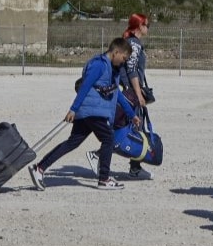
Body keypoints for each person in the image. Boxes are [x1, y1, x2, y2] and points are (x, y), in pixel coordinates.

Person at [28, 38, 141, 191]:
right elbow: (85, 85)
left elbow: (118, 95)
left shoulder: (112, 70)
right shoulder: (99, 65)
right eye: (123, 58)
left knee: (72, 142)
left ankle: (39, 168)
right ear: (116, 52)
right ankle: (104, 179)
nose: (123, 62)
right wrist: (73, 109)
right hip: (93, 111)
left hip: (89, 112)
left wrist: (131, 114)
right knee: (109, 138)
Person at [86, 13, 155, 179]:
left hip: (128, 90)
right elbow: (132, 72)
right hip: (130, 92)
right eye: (147, 25)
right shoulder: (135, 44)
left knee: (132, 129)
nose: (148, 28)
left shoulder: (131, 42)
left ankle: (135, 166)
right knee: (129, 130)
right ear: (139, 26)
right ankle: (100, 156)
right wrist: (138, 94)